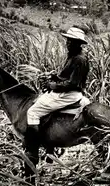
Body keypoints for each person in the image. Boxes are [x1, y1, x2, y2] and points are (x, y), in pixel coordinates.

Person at [25, 26, 90, 158]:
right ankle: (50, 146)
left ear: (78, 44)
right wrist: (55, 77)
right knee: (42, 101)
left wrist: (53, 85)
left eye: (71, 41)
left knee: (32, 112)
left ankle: (33, 149)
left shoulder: (79, 59)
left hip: (70, 94)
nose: (68, 43)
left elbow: (73, 83)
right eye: (68, 41)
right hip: (68, 92)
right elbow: (66, 77)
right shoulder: (73, 56)